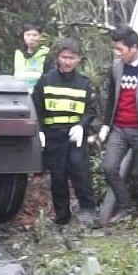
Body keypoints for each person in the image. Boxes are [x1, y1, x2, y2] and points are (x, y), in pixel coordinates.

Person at [31, 38, 99, 227]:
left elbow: (91, 110)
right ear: (58, 58)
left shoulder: (84, 83)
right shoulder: (45, 81)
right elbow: (36, 107)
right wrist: (40, 131)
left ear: (79, 59)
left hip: (75, 137)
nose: (68, 61)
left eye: (72, 58)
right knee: (58, 177)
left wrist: (81, 126)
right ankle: (62, 218)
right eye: (64, 57)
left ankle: (87, 211)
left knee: (80, 172)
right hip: (53, 136)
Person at [97, 25, 138, 225]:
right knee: (109, 167)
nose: (117, 53)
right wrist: (106, 126)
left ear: (134, 47)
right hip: (119, 128)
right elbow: (112, 97)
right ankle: (125, 205)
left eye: (120, 49)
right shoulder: (116, 67)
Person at [13, 22, 51, 89]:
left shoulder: (47, 54)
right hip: (19, 95)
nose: (31, 38)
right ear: (23, 36)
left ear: (40, 36)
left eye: (35, 35)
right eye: (28, 35)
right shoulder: (18, 54)